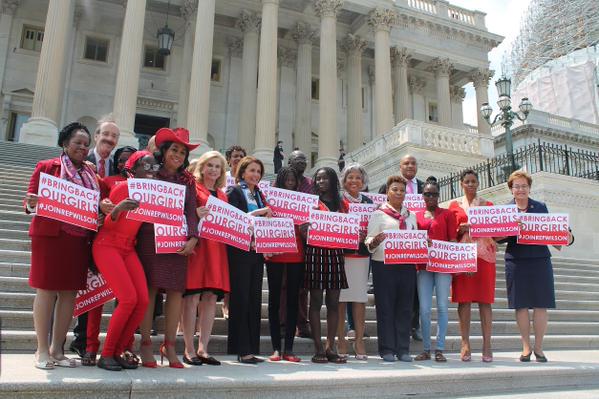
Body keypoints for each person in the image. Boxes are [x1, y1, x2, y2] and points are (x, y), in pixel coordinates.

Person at [25, 122, 101, 369]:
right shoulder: (47, 167)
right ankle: (41, 350)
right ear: (65, 143)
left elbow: (95, 204)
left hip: (79, 240)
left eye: (86, 144)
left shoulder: (91, 174)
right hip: (50, 237)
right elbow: (29, 202)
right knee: (46, 290)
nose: (82, 147)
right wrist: (33, 202)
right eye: (78, 142)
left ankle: (57, 350)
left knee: (69, 293)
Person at [137, 127, 200, 369]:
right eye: (174, 149)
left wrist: (193, 237)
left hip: (177, 240)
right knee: (151, 290)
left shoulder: (187, 180)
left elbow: (191, 211)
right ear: (163, 151)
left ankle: (170, 345)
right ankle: (144, 344)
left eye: (183, 152)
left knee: (175, 291)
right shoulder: (149, 173)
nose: (178, 155)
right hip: (149, 237)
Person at [92, 151, 157, 371]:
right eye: (146, 166)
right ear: (133, 169)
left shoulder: (153, 193)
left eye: (153, 167)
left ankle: (118, 351)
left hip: (129, 248)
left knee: (143, 301)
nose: (150, 171)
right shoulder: (122, 188)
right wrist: (118, 208)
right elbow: (106, 224)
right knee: (128, 299)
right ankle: (107, 353)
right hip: (107, 245)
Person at [502, 170, 574, 363]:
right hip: (516, 261)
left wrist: (567, 236)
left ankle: (539, 348)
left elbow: (555, 235)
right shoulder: (506, 210)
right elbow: (497, 238)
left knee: (541, 304)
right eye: (516, 186)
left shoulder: (540, 207)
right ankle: (526, 347)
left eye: (524, 186)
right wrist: (511, 227)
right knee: (521, 305)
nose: (520, 189)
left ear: (529, 188)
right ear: (511, 189)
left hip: (540, 260)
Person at [70, 116, 121, 357]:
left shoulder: (117, 168)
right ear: (96, 135)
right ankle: (79, 339)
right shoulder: (81, 161)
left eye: (114, 137)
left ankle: (86, 342)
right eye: (106, 135)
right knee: (78, 287)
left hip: (103, 237)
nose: (110, 140)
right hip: (80, 234)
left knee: (95, 289)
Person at [82, 146, 137, 367]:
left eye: (129, 160)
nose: (125, 164)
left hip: (129, 247)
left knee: (129, 300)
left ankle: (123, 348)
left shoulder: (146, 186)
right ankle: (90, 347)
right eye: (121, 160)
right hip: (105, 243)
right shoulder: (107, 181)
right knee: (98, 300)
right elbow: (97, 210)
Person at [182, 151, 230, 366]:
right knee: (192, 298)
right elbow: (181, 212)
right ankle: (188, 349)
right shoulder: (192, 187)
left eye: (217, 166)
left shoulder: (223, 194)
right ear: (202, 167)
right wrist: (194, 213)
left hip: (217, 250)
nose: (213, 169)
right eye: (209, 165)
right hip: (198, 248)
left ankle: (203, 348)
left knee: (210, 298)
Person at [366, 175, 417, 362]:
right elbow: (368, 242)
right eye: (395, 189)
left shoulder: (411, 216)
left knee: (405, 308)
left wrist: (423, 243)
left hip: (407, 266)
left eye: (402, 190)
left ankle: (403, 349)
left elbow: (414, 239)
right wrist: (375, 240)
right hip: (384, 266)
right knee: (386, 307)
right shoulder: (378, 214)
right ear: (387, 192)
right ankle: (387, 348)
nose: (398, 192)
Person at [448, 169, 498, 363]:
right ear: (461, 184)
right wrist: (460, 229)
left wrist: (475, 227)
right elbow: (450, 233)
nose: (470, 184)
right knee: (464, 300)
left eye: (473, 181)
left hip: (485, 257)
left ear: (478, 183)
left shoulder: (488, 204)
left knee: (485, 300)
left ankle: (487, 344)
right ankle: (465, 343)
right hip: (462, 256)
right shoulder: (454, 206)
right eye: (467, 181)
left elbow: (496, 230)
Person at [227, 156, 272, 363]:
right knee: (242, 298)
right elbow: (234, 218)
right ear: (242, 172)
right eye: (252, 170)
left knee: (254, 298)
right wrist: (259, 213)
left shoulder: (260, 195)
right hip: (239, 252)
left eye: (258, 172)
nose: (255, 175)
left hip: (256, 251)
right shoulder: (235, 192)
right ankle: (241, 347)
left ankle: (252, 347)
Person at [301, 166, 348, 364]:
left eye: (324, 178)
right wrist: (304, 231)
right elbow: (303, 227)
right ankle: (318, 347)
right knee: (316, 301)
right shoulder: (310, 203)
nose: (321, 182)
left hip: (336, 255)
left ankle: (331, 346)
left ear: (332, 181)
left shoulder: (342, 204)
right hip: (315, 254)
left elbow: (347, 230)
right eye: (318, 179)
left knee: (334, 303)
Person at [378, 155, 424, 341]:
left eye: (413, 163)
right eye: (406, 163)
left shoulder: (424, 187)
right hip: (393, 248)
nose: (410, 166)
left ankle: (415, 325)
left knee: (414, 293)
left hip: (415, 243)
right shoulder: (388, 186)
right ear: (400, 166)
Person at [414, 177, 457, 363]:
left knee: (441, 307)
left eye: (433, 194)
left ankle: (439, 348)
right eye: (426, 194)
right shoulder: (415, 215)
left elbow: (453, 241)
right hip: (423, 266)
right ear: (422, 196)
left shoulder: (447, 215)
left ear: (439, 195)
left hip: (442, 266)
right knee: (424, 309)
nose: (430, 197)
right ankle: (425, 348)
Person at [264, 167, 304, 363]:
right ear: (280, 180)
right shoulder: (270, 200)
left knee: (292, 301)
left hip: (296, 253)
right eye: (286, 178)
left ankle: (289, 347)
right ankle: (275, 348)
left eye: (293, 178)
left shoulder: (302, 201)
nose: (290, 181)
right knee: (274, 301)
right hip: (275, 252)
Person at [337, 163, 372, 360]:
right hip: (342, 257)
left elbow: (374, 229)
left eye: (358, 177)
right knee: (341, 300)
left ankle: (358, 340)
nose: (354, 181)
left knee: (359, 299)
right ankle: (341, 339)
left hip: (361, 256)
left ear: (363, 181)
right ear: (344, 180)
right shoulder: (338, 202)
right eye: (350, 177)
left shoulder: (368, 204)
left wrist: (367, 235)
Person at [287, 150, 313, 338]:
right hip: (284, 239)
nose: (302, 162)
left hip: (304, 240)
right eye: (298, 159)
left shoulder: (310, 184)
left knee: (302, 287)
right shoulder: (281, 183)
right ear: (289, 162)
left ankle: (302, 323)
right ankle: (283, 323)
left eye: (304, 159)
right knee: (283, 286)